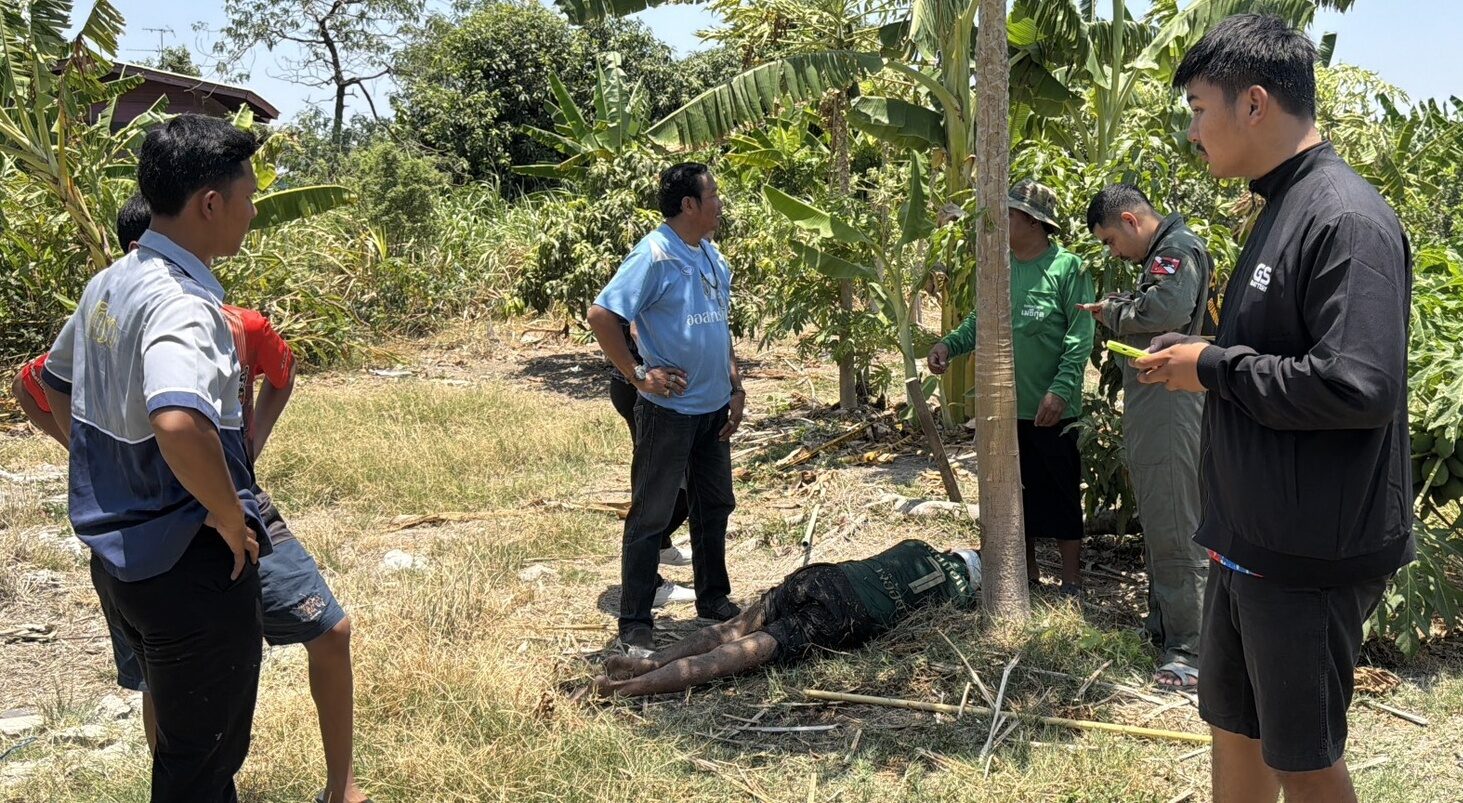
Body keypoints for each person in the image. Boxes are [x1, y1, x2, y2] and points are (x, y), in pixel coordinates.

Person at [1137, 15, 1413, 802]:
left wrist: (1213, 367)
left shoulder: (1344, 218)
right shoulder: (1278, 206)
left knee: (1302, 759)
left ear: (1252, 103)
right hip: (1246, 541)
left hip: (1304, 555)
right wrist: (1203, 363)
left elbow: (1357, 385)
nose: (1192, 129)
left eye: (1197, 107)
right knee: (1235, 728)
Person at [15, 195, 369, 803]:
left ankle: (332, 787)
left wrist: (242, 462)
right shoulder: (146, 305)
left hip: (215, 515)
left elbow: (280, 374)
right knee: (173, 694)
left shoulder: (215, 316)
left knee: (323, 632)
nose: (252, 210)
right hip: (187, 533)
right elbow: (60, 388)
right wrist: (101, 457)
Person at [40, 114, 267, 802]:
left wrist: (109, 472)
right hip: (188, 568)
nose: (252, 213)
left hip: (120, 560)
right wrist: (227, 516)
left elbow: (54, 382)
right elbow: (176, 419)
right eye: (248, 196)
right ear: (209, 203)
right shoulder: (182, 303)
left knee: (183, 749)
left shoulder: (111, 282)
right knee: (199, 767)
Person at [587, 162, 744, 653]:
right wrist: (640, 376)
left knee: (713, 504)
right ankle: (635, 621)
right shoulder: (654, 255)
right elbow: (602, 315)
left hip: (714, 408)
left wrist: (735, 388)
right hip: (669, 413)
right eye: (713, 194)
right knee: (652, 514)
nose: (720, 203)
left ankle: (712, 597)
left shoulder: (710, 255)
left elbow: (720, 327)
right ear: (689, 205)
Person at [927, 180, 1096, 596]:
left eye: (1009, 215)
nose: (1001, 222)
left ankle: (1071, 582)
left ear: (1034, 223)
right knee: (1015, 496)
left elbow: (1080, 336)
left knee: (1060, 491)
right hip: (1005, 407)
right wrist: (948, 344)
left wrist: (1060, 390)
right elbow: (979, 322)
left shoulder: (1067, 269)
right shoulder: (998, 267)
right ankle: (1029, 575)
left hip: (1053, 407)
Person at [1082, 185, 1216, 690]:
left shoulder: (1176, 251)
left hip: (1171, 405)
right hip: (1157, 402)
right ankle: (1167, 631)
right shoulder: (1164, 254)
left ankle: (1190, 650)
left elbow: (1165, 314)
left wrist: (1114, 313)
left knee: (1177, 521)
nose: (1113, 251)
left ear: (1132, 221)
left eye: (1112, 239)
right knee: (1161, 518)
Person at [592, 540, 981, 697]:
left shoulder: (917, 547)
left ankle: (649, 662)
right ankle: (627, 689)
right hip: (845, 613)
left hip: (826, 576)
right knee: (740, 654)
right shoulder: (959, 597)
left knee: (733, 629)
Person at [607, 319, 696, 608]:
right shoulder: (649, 273)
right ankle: (648, 584)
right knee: (663, 484)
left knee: (674, 478)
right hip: (644, 391)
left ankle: (661, 544)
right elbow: (630, 326)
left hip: (649, 389)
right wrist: (642, 375)